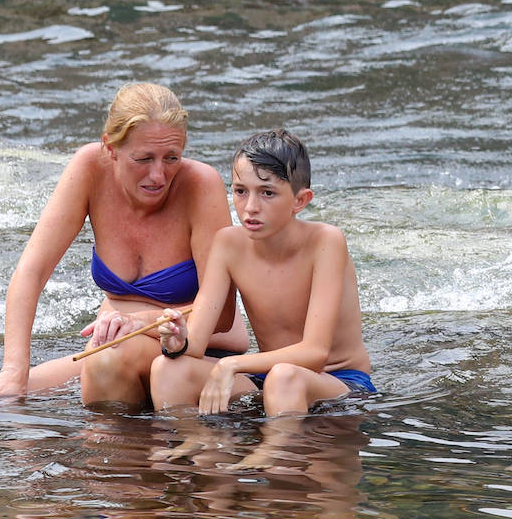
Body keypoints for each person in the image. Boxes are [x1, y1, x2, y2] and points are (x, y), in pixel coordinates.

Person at [0, 83, 247, 406]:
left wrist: (138, 322)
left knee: (105, 361)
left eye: (172, 158)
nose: (159, 175)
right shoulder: (89, 167)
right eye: (143, 158)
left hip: (200, 347)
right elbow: (30, 272)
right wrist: (14, 369)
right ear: (110, 148)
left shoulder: (200, 184)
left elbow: (223, 315)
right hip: (118, 341)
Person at [149, 128, 373, 419]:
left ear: (300, 200)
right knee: (167, 369)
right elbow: (197, 340)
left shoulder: (326, 241)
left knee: (284, 377)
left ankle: (273, 460)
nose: (250, 208)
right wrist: (177, 341)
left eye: (267, 193)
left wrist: (232, 365)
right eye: (241, 191)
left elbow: (316, 353)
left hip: (339, 383)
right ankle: (201, 454)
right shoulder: (228, 244)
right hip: (270, 378)